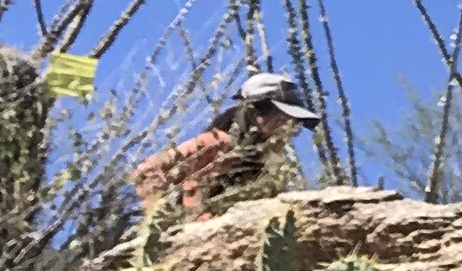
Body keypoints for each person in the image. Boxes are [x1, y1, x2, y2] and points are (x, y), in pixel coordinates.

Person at [133, 68, 324, 222]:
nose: (290, 130)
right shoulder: (216, 145)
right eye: (283, 119)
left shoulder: (265, 171)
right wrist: (165, 219)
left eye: (294, 123)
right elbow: (146, 172)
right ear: (254, 112)